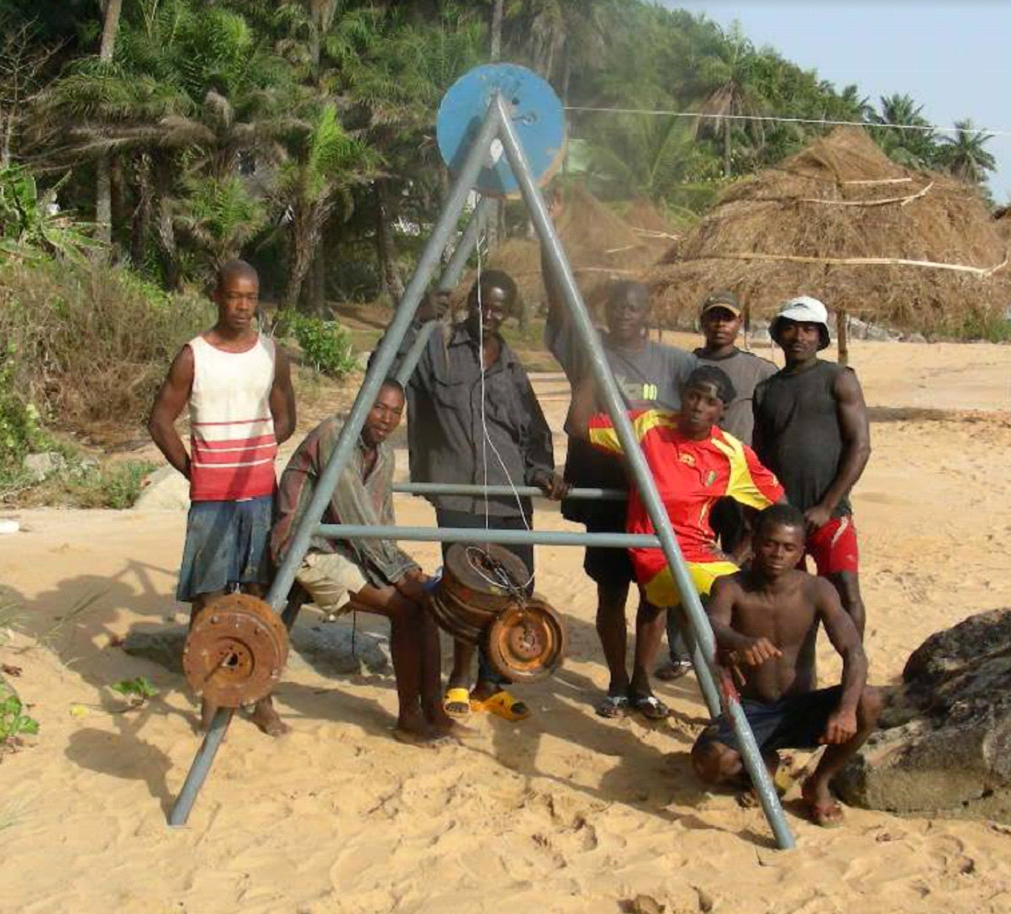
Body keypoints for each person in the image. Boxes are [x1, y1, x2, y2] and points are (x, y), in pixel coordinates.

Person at [391, 269, 568, 722]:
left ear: (509, 312)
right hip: (460, 494)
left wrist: (541, 471)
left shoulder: (511, 366)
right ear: (470, 303)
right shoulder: (440, 349)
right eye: (483, 304)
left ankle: (491, 685)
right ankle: (458, 677)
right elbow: (387, 369)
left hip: (509, 495)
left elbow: (533, 431)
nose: (489, 314)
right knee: (468, 590)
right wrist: (415, 319)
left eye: (499, 308)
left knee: (516, 589)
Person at [543, 214, 697, 719]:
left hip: (655, 500)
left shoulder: (675, 363)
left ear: (647, 312)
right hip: (604, 496)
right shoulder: (587, 351)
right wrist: (550, 233)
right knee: (610, 594)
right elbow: (558, 300)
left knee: (655, 597)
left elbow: (705, 412)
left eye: (633, 307)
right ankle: (614, 682)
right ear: (605, 311)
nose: (624, 314)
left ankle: (642, 684)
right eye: (616, 306)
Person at [148, 259, 295, 736]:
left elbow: (286, 415)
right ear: (217, 297)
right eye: (234, 296)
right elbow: (160, 421)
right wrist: (194, 470)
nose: (242, 306)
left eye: (250, 298)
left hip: (258, 495)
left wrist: (261, 450)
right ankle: (211, 700)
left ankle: (262, 699)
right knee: (210, 600)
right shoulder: (194, 356)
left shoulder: (272, 353)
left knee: (258, 598)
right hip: (212, 500)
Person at [272, 380, 462, 746]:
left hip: (347, 547)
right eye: (379, 408)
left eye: (395, 413)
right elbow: (353, 516)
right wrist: (401, 577)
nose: (386, 419)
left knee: (427, 605)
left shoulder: (384, 453)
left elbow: (380, 526)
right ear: (362, 404)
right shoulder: (335, 435)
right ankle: (408, 718)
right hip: (306, 547)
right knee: (404, 608)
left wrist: (406, 568)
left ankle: (434, 709)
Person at [691, 503, 881, 827]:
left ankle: (818, 783)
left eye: (789, 547)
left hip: (800, 707)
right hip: (752, 709)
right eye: (770, 544)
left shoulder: (817, 589)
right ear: (754, 542)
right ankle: (763, 767)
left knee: (869, 701)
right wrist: (740, 641)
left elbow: (854, 651)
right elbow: (712, 623)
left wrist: (847, 709)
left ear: (801, 551)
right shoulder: (731, 587)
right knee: (710, 763)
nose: (778, 554)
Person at [570, 365, 785, 620]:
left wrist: (738, 555)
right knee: (723, 598)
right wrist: (590, 368)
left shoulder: (731, 454)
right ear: (682, 395)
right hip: (655, 549)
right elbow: (579, 425)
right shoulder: (648, 425)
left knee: (751, 600)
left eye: (710, 402)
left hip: (701, 553)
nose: (698, 407)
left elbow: (780, 508)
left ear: (723, 410)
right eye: (693, 396)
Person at [659, 290, 777, 681]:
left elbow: (772, 419)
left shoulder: (759, 370)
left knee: (738, 565)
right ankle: (681, 652)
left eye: (727, 317)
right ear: (702, 321)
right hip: (690, 481)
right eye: (713, 316)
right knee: (682, 566)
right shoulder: (685, 365)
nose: (720, 324)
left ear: (739, 322)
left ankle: (734, 646)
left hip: (735, 483)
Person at [753, 296, 871, 637]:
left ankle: (854, 664)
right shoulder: (766, 390)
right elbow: (759, 457)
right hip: (782, 516)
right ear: (779, 334)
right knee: (790, 601)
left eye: (808, 329)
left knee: (846, 590)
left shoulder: (839, 378)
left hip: (828, 513)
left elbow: (860, 446)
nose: (799, 336)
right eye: (791, 328)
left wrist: (828, 505)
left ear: (821, 337)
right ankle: (801, 668)